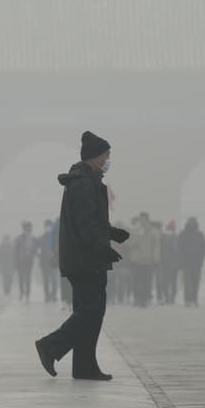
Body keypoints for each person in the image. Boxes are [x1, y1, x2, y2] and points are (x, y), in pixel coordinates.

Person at [35, 131, 128, 380]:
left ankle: (85, 367)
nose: (109, 159)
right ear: (95, 157)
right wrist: (102, 247)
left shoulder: (87, 181)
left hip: (87, 257)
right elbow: (86, 224)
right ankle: (50, 346)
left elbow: (92, 221)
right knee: (90, 311)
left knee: (91, 311)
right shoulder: (84, 184)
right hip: (85, 259)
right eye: (106, 155)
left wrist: (112, 233)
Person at [129, 213, 160, 308]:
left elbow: (156, 246)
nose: (142, 221)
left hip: (148, 260)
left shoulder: (154, 232)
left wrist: (156, 258)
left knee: (147, 281)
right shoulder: (135, 231)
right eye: (140, 219)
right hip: (136, 260)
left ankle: (145, 299)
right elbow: (129, 244)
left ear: (147, 220)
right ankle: (137, 299)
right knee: (136, 281)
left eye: (144, 219)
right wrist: (138, 237)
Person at [178, 217, 205, 306]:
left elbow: (203, 249)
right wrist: (200, 260)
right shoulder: (199, 235)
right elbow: (204, 249)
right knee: (193, 282)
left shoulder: (184, 234)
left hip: (191, 263)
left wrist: (181, 260)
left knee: (191, 282)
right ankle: (192, 300)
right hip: (192, 263)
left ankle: (189, 300)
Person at [14, 221, 38, 303]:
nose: (26, 230)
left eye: (27, 228)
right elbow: (15, 251)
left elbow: (35, 249)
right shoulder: (18, 238)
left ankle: (27, 295)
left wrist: (32, 254)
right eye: (25, 228)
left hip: (29, 261)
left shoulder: (33, 238)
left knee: (27, 278)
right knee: (21, 278)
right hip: (20, 261)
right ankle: (21, 293)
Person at [157, 220, 179, 305]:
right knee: (172, 282)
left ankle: (168, 297)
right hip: (172, 263)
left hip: (165, 262)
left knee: (166, 281)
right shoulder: (176, 237)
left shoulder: (164, 237)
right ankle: (171, 298)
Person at [39, 219, 58, 303]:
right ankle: (47, 296)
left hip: (53, 262)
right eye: (47, 226)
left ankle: (53, 295)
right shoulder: (42, 237)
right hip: (45, 263)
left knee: (54, 280)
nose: (48, 227)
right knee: (46, 281)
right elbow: (39, 250)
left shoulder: (55, 237)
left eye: (49, 225)